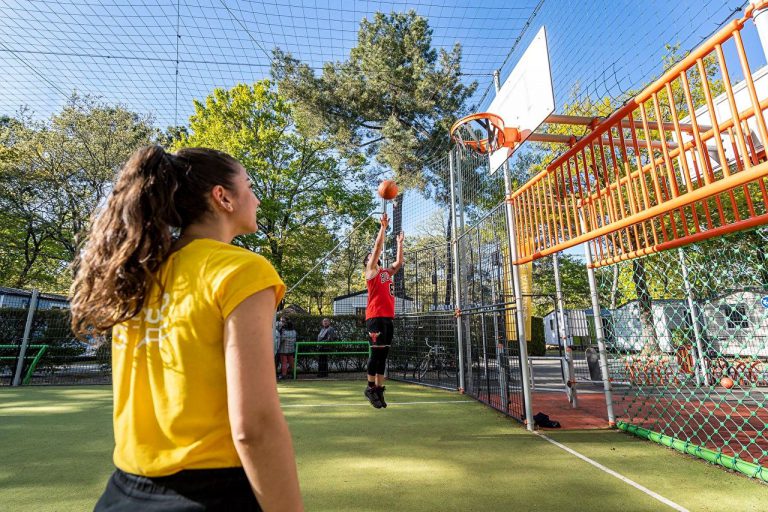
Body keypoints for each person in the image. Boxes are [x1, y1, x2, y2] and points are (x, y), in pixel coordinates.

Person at [70, 146, 303, 511]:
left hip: (120, 494)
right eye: (250, 185)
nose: (256, 199)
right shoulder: (243, 271)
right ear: (222, 197)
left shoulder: (137, 275)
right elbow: (253, 426)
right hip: (212, 494)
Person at [363, 212, 404, 409]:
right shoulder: (370, 271)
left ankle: (379, 389)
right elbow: (378, 248)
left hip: (388, 318)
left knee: (383, 357)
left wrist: (400, 243)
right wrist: (383, 228)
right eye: (371, 256)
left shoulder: (386, 273)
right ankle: (370, 388)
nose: (374, 256)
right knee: (376, 355)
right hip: (375, 318)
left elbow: (399, 264)